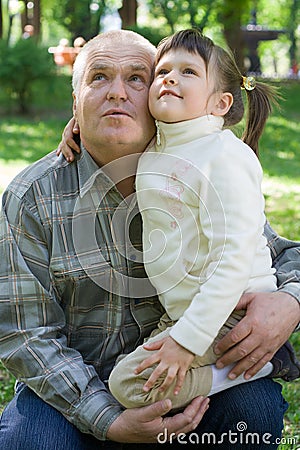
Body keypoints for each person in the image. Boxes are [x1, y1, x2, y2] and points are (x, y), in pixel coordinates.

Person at [0, 29, 299, 449]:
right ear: (75, 102)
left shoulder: (191, 169)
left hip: (183, 371)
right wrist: (106, 417)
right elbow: (25, 333)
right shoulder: (31, 197)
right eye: (99, 78)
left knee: (252, 413)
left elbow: (268, 252)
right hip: (74, 392)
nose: (118, 93)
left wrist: (290, 301)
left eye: (137, 79)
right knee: (30, 442)